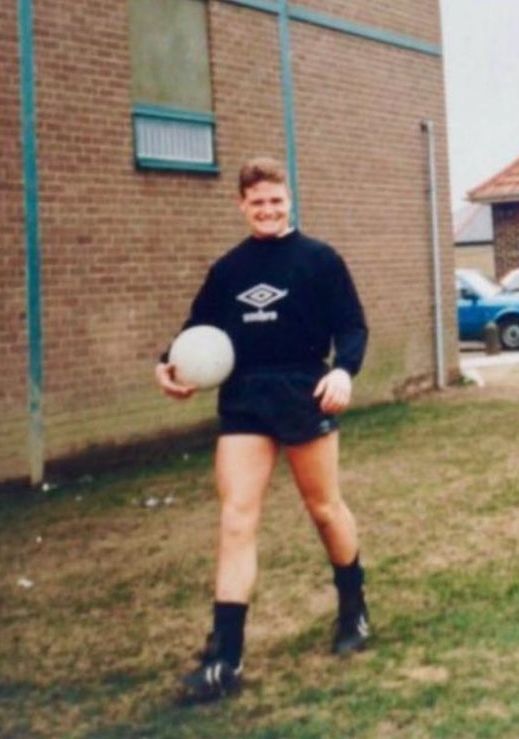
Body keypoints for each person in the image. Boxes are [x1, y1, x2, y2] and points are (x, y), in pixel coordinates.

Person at [155, 157, 370, 703]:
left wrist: (343, 369)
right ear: (241, 205)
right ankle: (226, 657)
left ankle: (354, 606)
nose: (268, 211)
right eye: (257, 203)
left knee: (324, 509)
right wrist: (169, 364)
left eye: (276, 201)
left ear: (289, 199)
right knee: (236, 518)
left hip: (304, 392)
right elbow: (196, 332)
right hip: (246, 398)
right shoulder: (228, 270)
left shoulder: (320, 260)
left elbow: (352, 325)